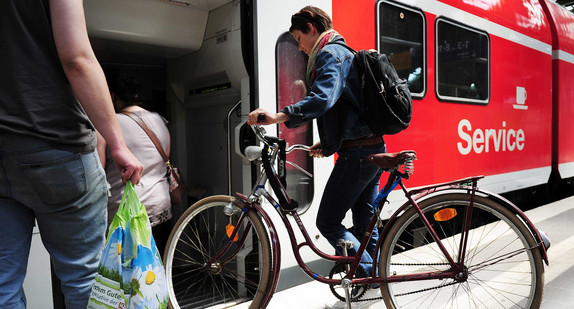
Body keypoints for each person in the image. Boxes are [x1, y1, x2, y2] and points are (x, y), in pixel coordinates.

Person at [0, 1, 143, 308]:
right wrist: (116, 143)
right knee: (84, 281)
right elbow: (76, 59)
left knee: (3, 284)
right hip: (58, 144)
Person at [247, 6, 385, 307]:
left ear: (311, 28)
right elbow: (347, 106)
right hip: (371, 148)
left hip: (359, 154)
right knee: (364, 224)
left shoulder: (329, 54)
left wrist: (278, 117)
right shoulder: (343, 51)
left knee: (328, 221)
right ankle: (376, 278)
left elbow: (323, 97)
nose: (298, 46)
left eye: (298, 38)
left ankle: (367, 274)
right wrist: (331, 144)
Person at [97, 71, 172, 257]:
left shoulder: (108, 125)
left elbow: (97, 170)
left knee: (126, 276)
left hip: (126, 211)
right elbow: (164, 160)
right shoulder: (160, 121)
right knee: (155, 271)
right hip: (160, 207)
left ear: (112, 95)